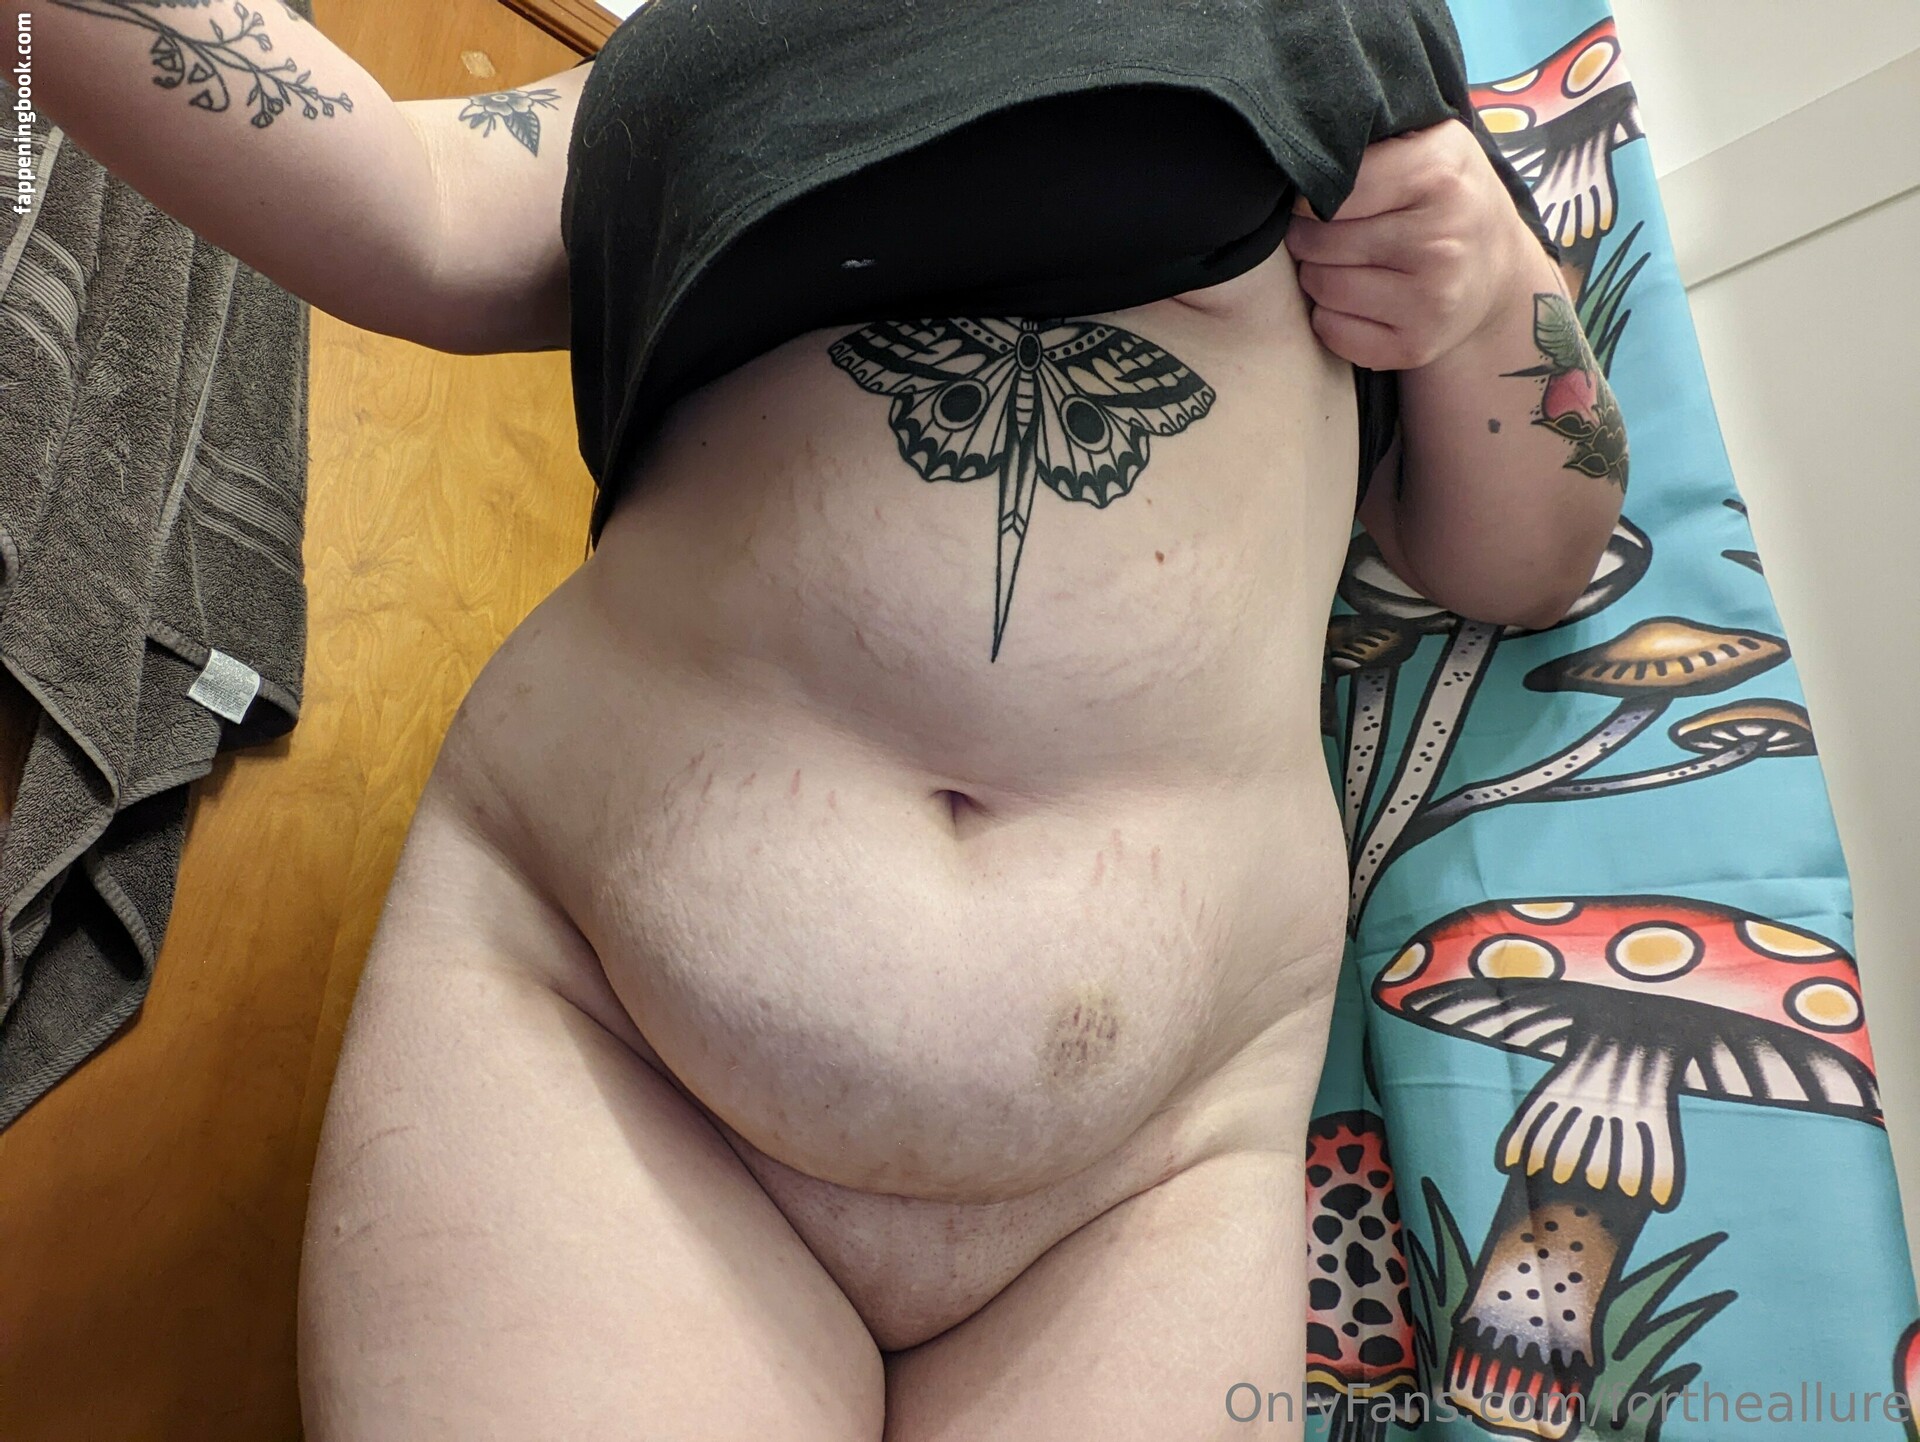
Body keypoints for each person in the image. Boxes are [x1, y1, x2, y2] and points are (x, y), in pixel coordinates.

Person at [30, 0, 1625, 1436]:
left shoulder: (1344, 40)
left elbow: (1528, 554)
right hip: (599, 1023)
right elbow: (424, 208)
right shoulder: (698, 50)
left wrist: (1490, 278)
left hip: (1154, 1160)